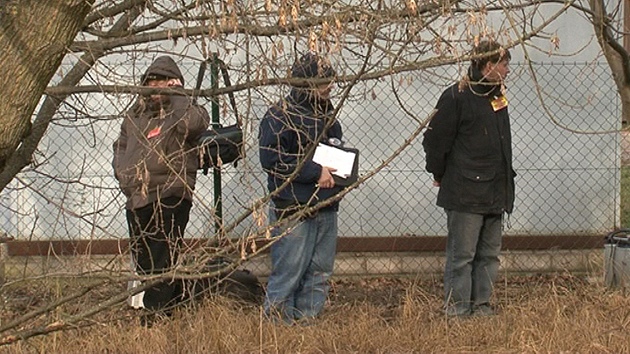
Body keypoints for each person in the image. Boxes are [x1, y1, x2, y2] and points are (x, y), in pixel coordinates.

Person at [112, 56, 210, 321]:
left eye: (161, 81)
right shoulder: (135, 114)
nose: (155, 87)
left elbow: (193, 126)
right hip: (137, 196)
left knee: (162, 258)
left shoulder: (188, 108)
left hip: (170, 193)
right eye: (151, 82)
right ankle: (172, 306)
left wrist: (177, 94)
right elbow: (120, 147)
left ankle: (156, 317)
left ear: (173, 82)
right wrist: (124, 178)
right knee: (144, 260)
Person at [422, 40, 515, 317]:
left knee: (489, 256)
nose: (508, 70)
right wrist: (439, 173)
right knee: (462, 257)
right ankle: (457, 311)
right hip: (465, 192)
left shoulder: (497, 97)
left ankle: (481, 307)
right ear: (488, 66)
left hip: (496, 190)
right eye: (504, 64)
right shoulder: (456, 96)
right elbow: (435, 142)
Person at [258, 52, 344, 324]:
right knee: (289, 271)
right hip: (293, 206)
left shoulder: (329, 117)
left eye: (330, 81)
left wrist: (343, 169)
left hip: (326, 204)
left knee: (320, 272)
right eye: (323, 82)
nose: (329, 87)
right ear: (305, 85)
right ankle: (277, 328)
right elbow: (271, 158)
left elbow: (335, 152)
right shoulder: (278, 115)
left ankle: (307, 323)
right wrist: (314, 172)